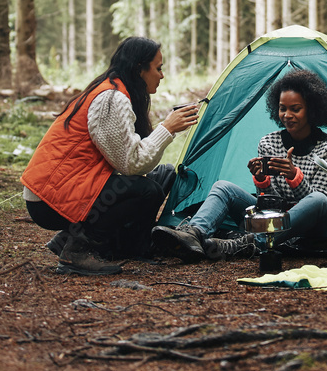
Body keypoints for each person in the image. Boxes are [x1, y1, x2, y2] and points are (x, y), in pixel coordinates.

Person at [21, 37, 198, 276]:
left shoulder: (113, 90)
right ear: (139, 69)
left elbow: (127, 157)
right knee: (148, 190)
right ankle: (77, 249)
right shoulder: (111, 98)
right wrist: (167, 129)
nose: (162, 75)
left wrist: (165, 128)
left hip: (61, 189)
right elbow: (132, 164)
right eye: (158, 68)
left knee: (162, 175)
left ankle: (73, 239)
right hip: (49, 199)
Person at [152, 68, 327, 261]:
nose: (287, 115)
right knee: (223, 188)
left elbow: (320, 207)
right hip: (275, 219)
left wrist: (294, 177)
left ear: (312, 110)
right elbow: (268, 203)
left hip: (316, 228)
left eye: (295, 109)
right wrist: (262, 181)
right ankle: (194, 234)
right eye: (282, 108)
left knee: (318, 200)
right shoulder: (269, 143)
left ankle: (250, 243)